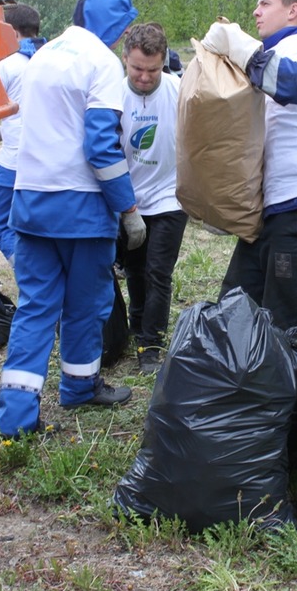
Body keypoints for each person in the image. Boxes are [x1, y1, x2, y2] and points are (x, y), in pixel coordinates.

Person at [0, 0, 144, 438]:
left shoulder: (42, 55)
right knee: (85, 304)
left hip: (31, 202)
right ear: (116, 28)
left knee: (37, 307)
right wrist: (128, 209)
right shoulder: (100, 63)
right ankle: (79, 388)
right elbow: (100, 147)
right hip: (80, 210)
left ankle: (16, 418)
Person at [200, 0, 297, 345]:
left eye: (265, 4)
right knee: (235, 302)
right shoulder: (274, 58)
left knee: (284, 320)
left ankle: (288, 401)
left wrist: (239, 43)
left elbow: (293, 86)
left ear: (293, 11)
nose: (255, 11)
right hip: (273, 212)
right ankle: (239, 390)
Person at [117, 23, 188, 374]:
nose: (145, 78)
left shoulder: (179, 91)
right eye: (137, 69)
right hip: (128, 199)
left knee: (159, 272)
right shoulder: (112, 95)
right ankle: (136, 324)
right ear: (125, 59)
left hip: (169, 197)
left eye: (153, 70)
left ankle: (152, 345)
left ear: (164, 63)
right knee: (134, 269)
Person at [0, 2, 46, 267]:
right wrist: (1, 132)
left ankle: (31, 276)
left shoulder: (7, 66)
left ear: (11, 32)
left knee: (3, 228)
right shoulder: (51, 62)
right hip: (47, 165)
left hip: (13, 165)